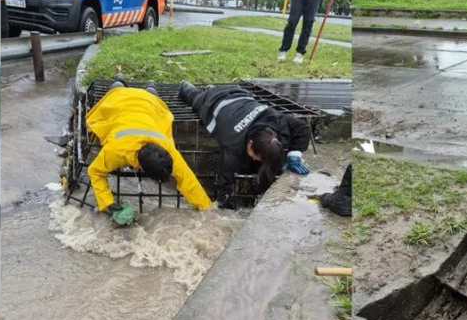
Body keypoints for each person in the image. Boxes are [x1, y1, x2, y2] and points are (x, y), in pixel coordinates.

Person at [86, 78, 212, 224]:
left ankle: (145, 86)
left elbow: (187, 180)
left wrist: (207, 210)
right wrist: (108, 204)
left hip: (147, 103)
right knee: (117, 89)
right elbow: (95, 171)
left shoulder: (167, 150)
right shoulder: (117, 151)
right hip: (122, 100)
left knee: (147, 95)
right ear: (142, 167)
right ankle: (128, 83)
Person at [178, 81, 311, 207]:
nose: (255, 159)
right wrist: (223, 204)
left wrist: (294, 154)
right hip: (213, 101)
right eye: (256, 157)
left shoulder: (275, 119)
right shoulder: (232, 142)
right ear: (250, 143)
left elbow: (303, 128)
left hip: (240, 93)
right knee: (192, 96)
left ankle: (211, 88)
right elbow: (226, 180)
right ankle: (188, 86)